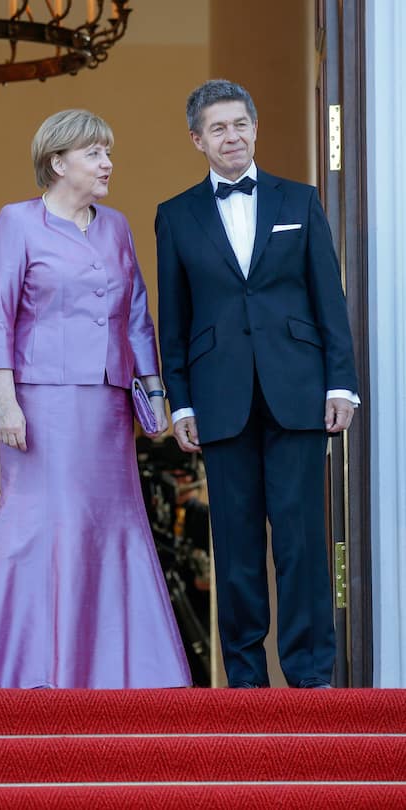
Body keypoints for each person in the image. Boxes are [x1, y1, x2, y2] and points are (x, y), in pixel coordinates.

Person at [0, 109, 191, 690]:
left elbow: (138, 314)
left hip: (107, 408)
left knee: (113, 524)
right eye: (94, 153)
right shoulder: (17, 223)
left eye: (108, 152)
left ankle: (119, 672)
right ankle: (33, 670)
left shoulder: (116, 226)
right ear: (57, 161)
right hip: (41, 403)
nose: (107, 163)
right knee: (49, 523)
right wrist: (5, 401)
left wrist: (153, 392)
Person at [156, 80, 359, 689]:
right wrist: (181, 398)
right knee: (237, 548)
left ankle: (311, 678)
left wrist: (341, 384)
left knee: (301, 543)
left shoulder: (300, 200)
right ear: (197, 139)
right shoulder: (175, 214)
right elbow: (175, 319)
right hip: (219, 400)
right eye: (217, 128)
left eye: (240, 124)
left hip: (298, 392)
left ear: (255, 128)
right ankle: (244, 685)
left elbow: (330, 297)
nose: (232, 136)